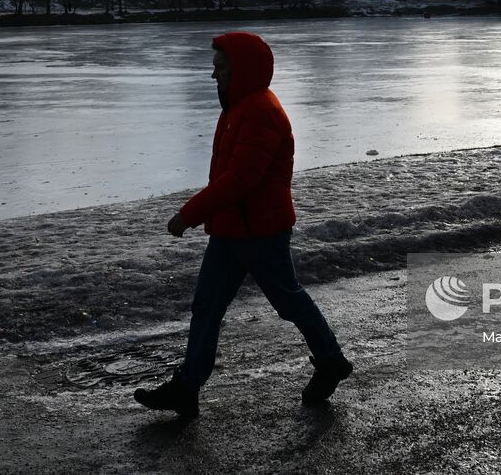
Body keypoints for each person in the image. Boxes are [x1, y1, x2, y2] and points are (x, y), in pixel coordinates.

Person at [134, 31, 352, 417]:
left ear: (242, 69)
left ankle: (332, 361)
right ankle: (187, 387)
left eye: (220, 66)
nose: (213, 74)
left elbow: (240, 180)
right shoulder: (238, 107)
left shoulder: (261, 112)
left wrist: (189, 214)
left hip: (261, 231)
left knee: (288, 302)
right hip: (232, 230)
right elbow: (230, 177)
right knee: (207, 305)